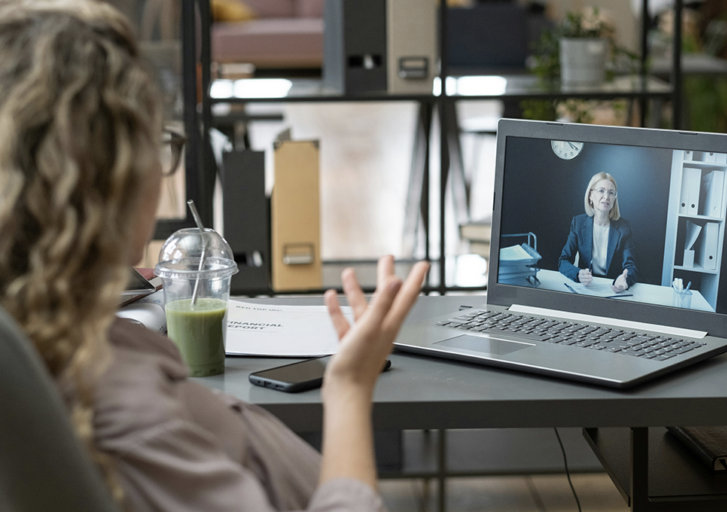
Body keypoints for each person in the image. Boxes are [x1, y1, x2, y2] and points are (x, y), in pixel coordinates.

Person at [0, 1, 429, 511]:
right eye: (158, 143)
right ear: (110, 178)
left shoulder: (57, 329)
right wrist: (349, 389)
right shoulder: (123, 412)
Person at [558, 172, 638, 292]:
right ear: (590, 195)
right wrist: (578, 274)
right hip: (587, 288)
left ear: (614, 199)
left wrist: (625, 280)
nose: (606, 197)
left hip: (612, 289)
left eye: (611, 193)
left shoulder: (624, 227)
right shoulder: (578, 223)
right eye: (601, 191)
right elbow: (563, 261)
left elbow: (630, 267)